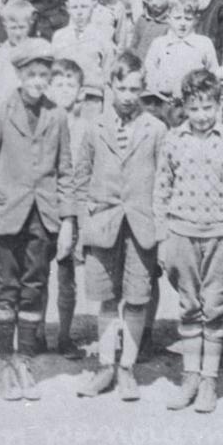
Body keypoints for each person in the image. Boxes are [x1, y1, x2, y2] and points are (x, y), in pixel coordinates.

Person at [0, 36, 74, 401]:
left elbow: (66, 173)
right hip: (6, 216)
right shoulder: (0, 112)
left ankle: (26, 361)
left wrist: (68, 223)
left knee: (35, 289)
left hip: (43, 219)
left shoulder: (58, 115)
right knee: (6, 289)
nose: (37, 82)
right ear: (19, 74)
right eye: (31, 74)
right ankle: (5, 363)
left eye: (43, 75)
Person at [70, 54, 166, 402]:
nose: (128, 95)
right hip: (103, 222)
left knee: (137, 299)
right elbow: (80, 179)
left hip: (141, 225)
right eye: (122, 87)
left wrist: (161, 231)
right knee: (107, 298)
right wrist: (83, 225)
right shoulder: (93, 128)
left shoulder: (156, 129)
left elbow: (163, 183)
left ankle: (127, 367)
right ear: (111, 87)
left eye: (135, 89)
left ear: (143, 89)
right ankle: (106, 366)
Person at [154, 68, 223, 414]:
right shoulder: (174, 139)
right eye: (194, 108)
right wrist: (163, 237)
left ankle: (209, 379)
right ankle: (190, 376)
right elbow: (161, 189)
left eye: (208, 107)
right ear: (185, 107)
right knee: (189, 307)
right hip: (183, 233)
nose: (202, 116)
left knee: (215, 307)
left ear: (219, 105)